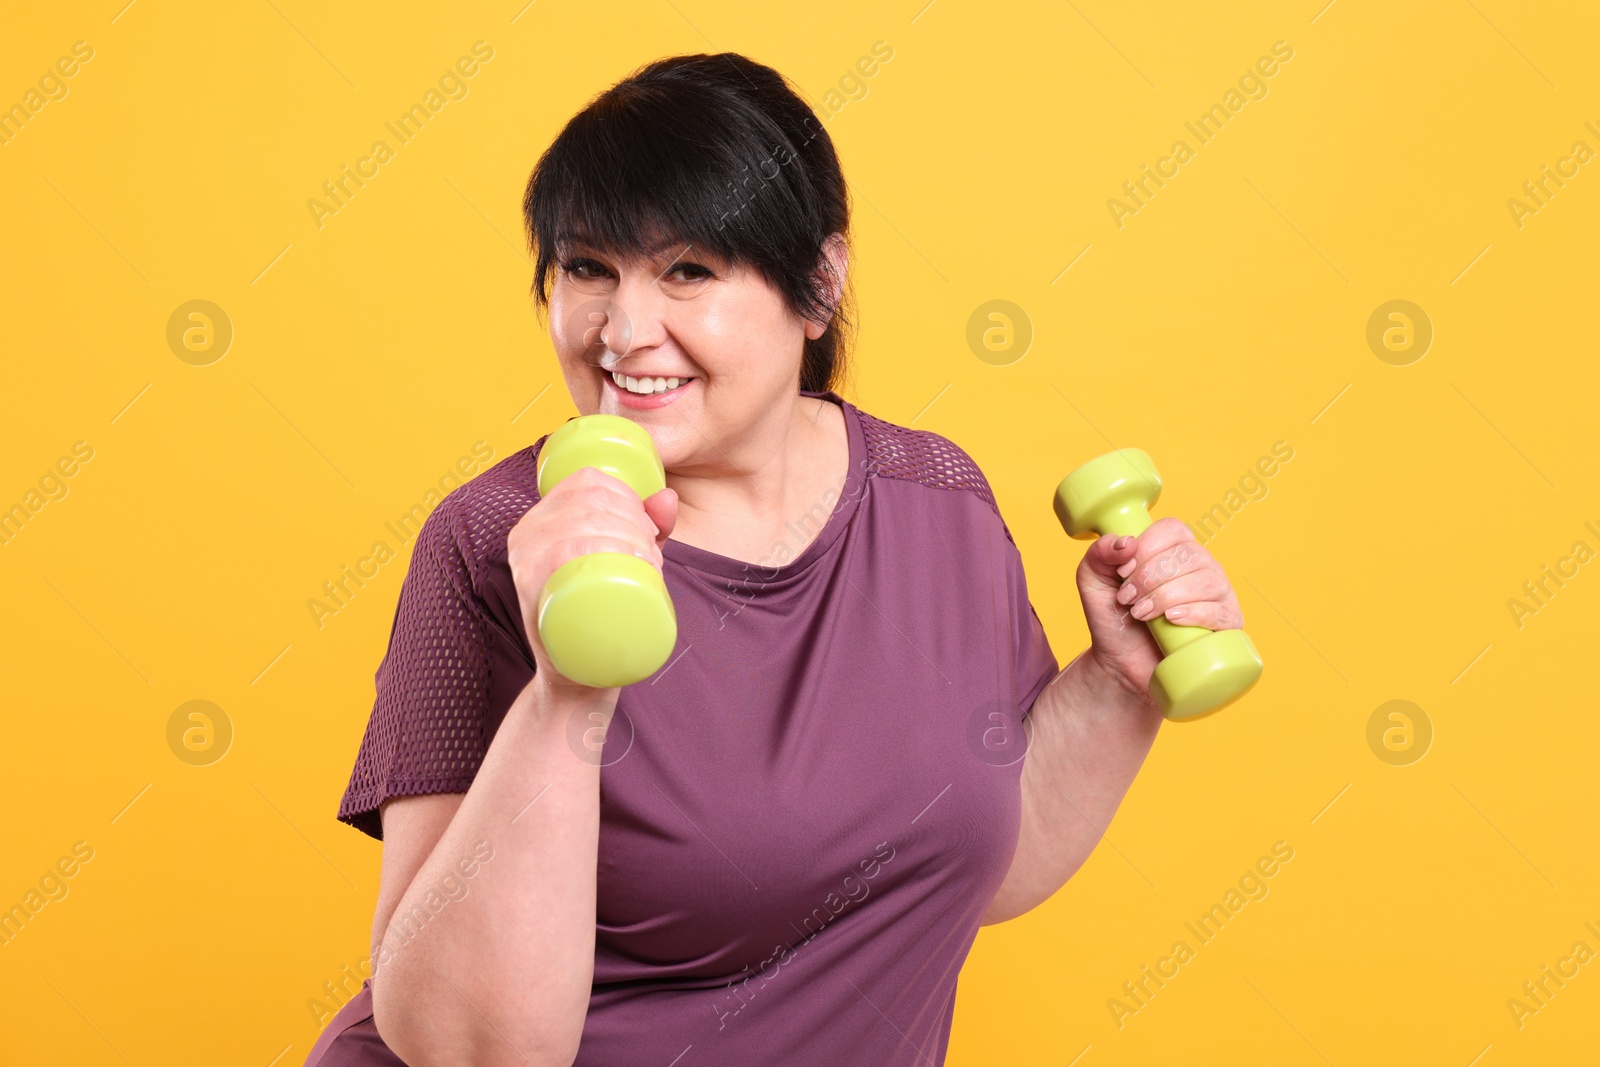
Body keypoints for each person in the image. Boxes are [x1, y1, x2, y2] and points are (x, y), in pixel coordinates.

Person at [304, 51, 1246, 1067]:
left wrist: (1117, 683)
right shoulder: (492, 541)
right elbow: (463, 1045)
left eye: (687, 271)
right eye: (586, 268)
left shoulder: (937, 501)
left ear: (820, 282)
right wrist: (566, 699)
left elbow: (966, 865)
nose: (622, 330)